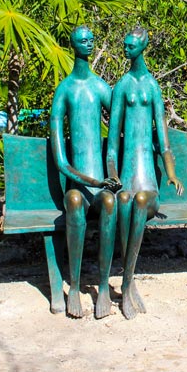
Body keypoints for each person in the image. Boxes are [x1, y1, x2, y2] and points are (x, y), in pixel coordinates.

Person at [107, 27, 184, 319]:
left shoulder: (152, 87)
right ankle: (129, 286)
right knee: (125, 200)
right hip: (126, 177)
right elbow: (113, 142)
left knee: (139, 201)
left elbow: (163, 141)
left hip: (148, 184)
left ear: (142, 47)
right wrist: (112, 173)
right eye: (123, 45)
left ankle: (126, 285)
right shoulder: (122, 86)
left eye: (130, 45)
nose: (125, 49)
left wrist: (172, 173)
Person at [50, 25, 119, 319]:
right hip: (78, 185)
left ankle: (104, 287)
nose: (88, 44)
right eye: (82, 40)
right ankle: (75, 287)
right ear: (72, 45)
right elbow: (61, 162)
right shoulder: (64, 91)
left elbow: (119, 125)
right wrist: (91, 180)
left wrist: (112, 172)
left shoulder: (100, 87)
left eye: (91, 39)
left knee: (110, 202)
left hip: (101, 185)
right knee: (76, 203)